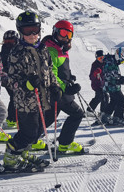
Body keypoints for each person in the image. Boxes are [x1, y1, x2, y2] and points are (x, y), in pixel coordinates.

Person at [2, 11, 62, 170]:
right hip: (26, 103)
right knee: (28, 133)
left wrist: (55, 86)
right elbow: (12, 80)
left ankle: (22, 152)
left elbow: (50, 71)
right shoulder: (17, 52)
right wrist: (27, 84)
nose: (32, 34)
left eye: (35, 29)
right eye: (28, 31)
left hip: (43, 99)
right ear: (20, 31)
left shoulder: (43, 48)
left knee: (36, 133)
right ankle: (10, 157)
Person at [40, 19, 85, 153]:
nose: (65, 37)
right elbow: (51, 73)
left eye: (69, 35)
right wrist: (66, 87)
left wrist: (68, 77)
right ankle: (65, 144)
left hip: (58, 90)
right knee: (77, 114)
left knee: (49, 118)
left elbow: (61, 68)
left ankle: (31, 139)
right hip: (58, 91)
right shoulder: (52, 49)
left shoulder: (59, 48)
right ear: (55, 32)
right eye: (63, 33)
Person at [100, 47, 124, 126]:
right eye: (122, 60)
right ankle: (118, 118)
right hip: (111, 86)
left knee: (114, 101)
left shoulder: (112, 61)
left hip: (112, 86)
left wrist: (121, 78)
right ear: (118, 56)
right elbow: (107, 76)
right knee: (122, 100)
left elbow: (113, 74)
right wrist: (118, 81)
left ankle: (105, 117)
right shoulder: (110, 62)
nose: (122, 62)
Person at [0, 30, 18, 128]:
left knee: (16, 97)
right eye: (7, 41)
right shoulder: (3, 53)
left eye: (11, 41)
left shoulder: (19, 50)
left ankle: (14, 118)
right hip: (7, 79)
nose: (9, 44)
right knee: (15, 97)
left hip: (16, 78)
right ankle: (11, 119)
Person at [87, 50, 108, 115]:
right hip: (96, 84)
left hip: (103, 84)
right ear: (96, 58)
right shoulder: (95, 65)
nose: (101, 59)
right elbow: (91, 77)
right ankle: (91, 111)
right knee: (101, 97)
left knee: (104, 97)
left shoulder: (105, 63)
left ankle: (102, 111)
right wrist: (95, 73)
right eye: (99, 58)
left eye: (102, 57)